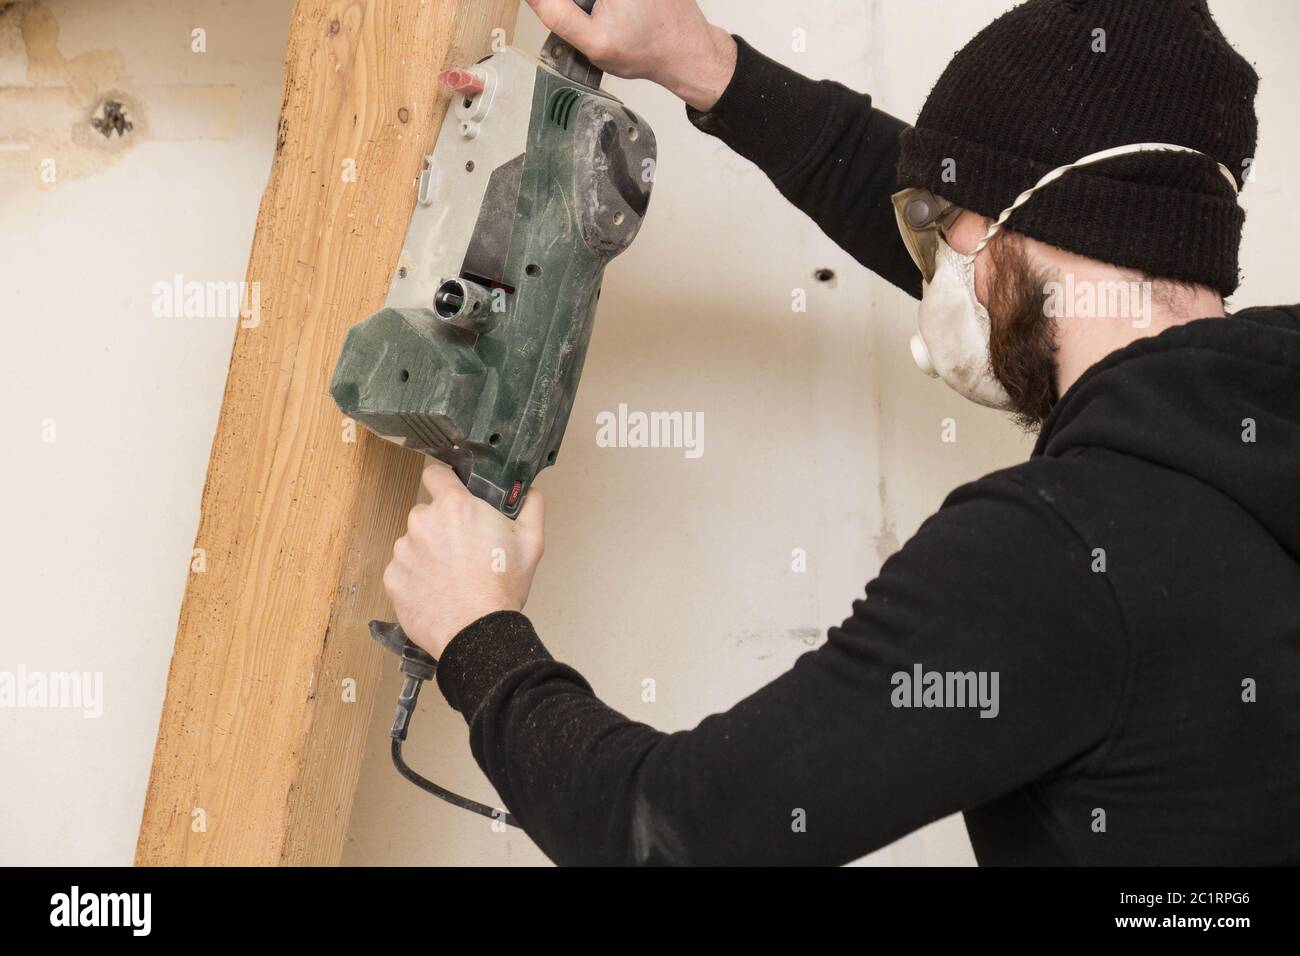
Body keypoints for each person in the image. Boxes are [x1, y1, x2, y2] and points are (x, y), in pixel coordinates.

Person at [380, 0, 1300, 864]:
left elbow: (671, 834)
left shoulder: (1052, 557)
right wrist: (706, 65)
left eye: (942, 231)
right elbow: (997, 219)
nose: (934, 270)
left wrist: (476, 630)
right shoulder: (1254, 421)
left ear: (1042, 221)